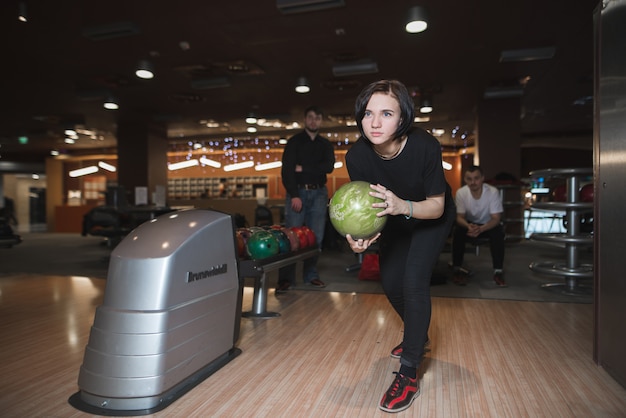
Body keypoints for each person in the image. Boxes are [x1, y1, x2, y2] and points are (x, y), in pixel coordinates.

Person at [345, 80, 455, 413]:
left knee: (413, 282)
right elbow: (365, 209)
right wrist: (359, 237)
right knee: (391, 284)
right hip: (393, 217)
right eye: (368, 113)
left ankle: (408, 373)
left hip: (430, 216)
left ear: (403, 117)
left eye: (386, 113)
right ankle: (417, 335)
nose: (375, 123)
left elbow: (436, 205)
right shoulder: (356, 156)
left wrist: (403, 206)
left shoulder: (424, 146)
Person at [276, 105, 335, 292]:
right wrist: (294, 194)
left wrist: (304, 167)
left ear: (321, 121)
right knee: (291, 237)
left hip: (319, 193)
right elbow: (287, 171)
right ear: (305, 119)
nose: (313, 121)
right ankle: (285, 279)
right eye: (310, 117)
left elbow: (329, 167)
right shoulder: (294, 142)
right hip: (298, 193)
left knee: (315, 237)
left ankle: (311, 275)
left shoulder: (325, 145)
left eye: (317, 118)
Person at [451, 165, 507, 286]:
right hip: (470, 224)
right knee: (458, 231)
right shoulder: (461, 192)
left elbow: (496, 219)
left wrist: (481, 229)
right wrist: (468, 226)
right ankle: (457, 269)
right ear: (465, 180)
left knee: (498, 232)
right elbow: (459, 217)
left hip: (488, 225)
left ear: (482, 178)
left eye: (476, 178)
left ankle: (498, 272)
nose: (473, 182)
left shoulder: (492, 192)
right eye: (469, 179)